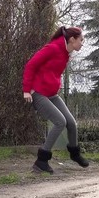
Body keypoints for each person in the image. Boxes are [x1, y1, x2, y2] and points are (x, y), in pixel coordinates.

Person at [23, 26, 89, 174]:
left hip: (52, 94)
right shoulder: (52, 48)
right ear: (72, 39)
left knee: (71, 123)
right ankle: (41, 161)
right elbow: (31, 65)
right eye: (81, 40)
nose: (82, 43)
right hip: (38, 93)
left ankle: (74, 154)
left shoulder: (66, 53)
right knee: (60, 122)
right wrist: (27, 90)